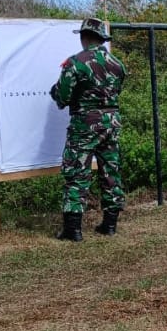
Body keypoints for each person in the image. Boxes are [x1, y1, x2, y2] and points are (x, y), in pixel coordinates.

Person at [50, 17, 127, 242]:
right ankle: (110, 225)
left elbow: (63, 97)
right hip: (111, 122)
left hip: (85, 123)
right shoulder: (117, 64)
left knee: (77, 172)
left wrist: (56, 92)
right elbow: (114, 92)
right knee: (110, 171)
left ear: (84, 37)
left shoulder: (75, 63)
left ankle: (73, 230)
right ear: (101, 38)